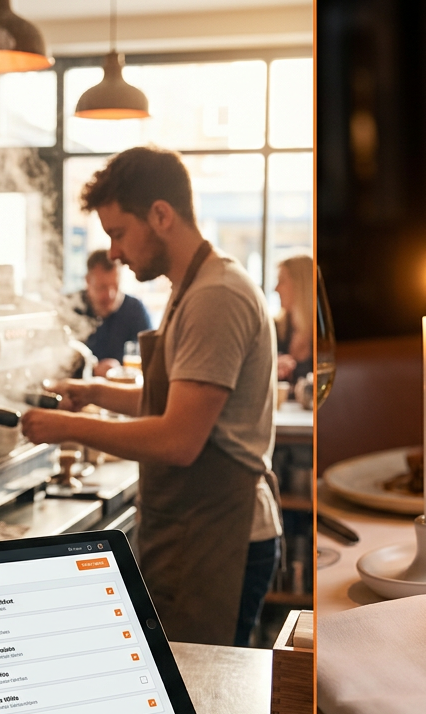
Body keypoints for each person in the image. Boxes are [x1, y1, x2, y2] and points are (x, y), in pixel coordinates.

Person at [22, 146, 281, 648]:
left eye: (119, 233)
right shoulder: (193, 286)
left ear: (161, 215)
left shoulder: (215, 295)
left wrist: (65, 427)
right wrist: (93, 392)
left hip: (220, 536)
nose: (114, 252)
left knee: (197, 691)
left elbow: (178, 439)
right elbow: (173, 401)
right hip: (195, 529)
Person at [75, 250, 151, 377]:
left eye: (115, 286)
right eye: (102, 287)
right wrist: (91, 369)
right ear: (88, 281)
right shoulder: (72, 307)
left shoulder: (134, 309)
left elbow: (151, 359)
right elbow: (57, 360)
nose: (111, 295)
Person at [275, 254, 314, 385]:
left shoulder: (320, 333)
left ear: (301, 284)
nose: (276, 289)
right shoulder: (275, 329)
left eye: (281, 281)